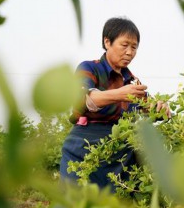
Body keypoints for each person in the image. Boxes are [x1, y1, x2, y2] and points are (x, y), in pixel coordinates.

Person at [59, 17, 170, 189]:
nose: (129, 52)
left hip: (119, 154)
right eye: (124, 45)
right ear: (107, 42)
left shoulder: (132, 82)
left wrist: (160, 108)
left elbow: (151, 109)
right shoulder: (89, 68)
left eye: (134, 47)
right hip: (83, 150)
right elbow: (83, 99)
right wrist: (119, 94)